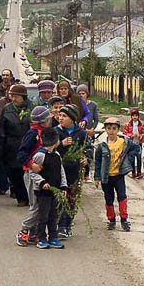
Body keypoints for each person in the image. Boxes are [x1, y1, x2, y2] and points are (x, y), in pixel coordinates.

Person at [94, 116, 140, 231]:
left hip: (119, 175)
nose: (111, 131)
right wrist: (97, 177)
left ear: (118, 130)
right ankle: (111, 220)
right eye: (109, 128)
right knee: (109, 199)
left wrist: (129, 158)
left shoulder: (124, 142)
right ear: (106, 130)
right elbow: (98, 162)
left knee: (122, 197)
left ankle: (124, 219)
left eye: (114, 128)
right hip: (106, 177)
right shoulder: (102, 146)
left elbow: (136, 148)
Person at [16, 105, 53, 246]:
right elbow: (21, 153)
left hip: (42, 175)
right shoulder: (33, 133)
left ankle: (33, 233)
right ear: (43, 120)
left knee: (41, 205)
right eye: (48, 117)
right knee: (36, 205)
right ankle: (24, 231)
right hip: (32, 174)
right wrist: (32, 164)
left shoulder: (45, 132)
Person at [29, 127, 68, 249]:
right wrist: (41, 183)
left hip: (54, 190)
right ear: (55, 141)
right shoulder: (40, 155)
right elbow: (32, 173)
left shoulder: (57, 155)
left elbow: (61, 171)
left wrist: (63, 186)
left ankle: (53, 237)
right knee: (43, 215)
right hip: (43, 192)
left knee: (53, 215)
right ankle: (41, 237)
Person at [53, 105, 87, 239]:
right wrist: (61, 144)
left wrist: (85, 159)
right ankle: (60, 226)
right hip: (59, 171)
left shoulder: (80, 133)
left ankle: (68, 224)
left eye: (64, 116)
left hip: (74, 172)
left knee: (71, 199)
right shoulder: (56, 132)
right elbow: (50, 150)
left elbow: (86, 149)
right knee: (61, 198)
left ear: (72, 119)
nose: (60, 118)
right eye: (60, 115)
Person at [0, 84, 32, 205]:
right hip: (11, 146)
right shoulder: (7, 109)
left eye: (16, 96)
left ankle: (29, 197)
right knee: (14, 173)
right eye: (12, 96)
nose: (14, 99)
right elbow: (2, 129)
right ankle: (21, 198)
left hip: (28, 145)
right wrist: (1, 147)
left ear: (23, 97)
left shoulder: (31, 108)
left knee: (27, 173)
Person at [123, 109, 144, 178]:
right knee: (132, 158)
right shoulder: (127, 124)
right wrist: (131, 135)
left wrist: (141, 136)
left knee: (139, 157)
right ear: (131, 116)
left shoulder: (141, 125)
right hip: (131, 144)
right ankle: (133, 172)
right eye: (133, 116)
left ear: (138, 117)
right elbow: (125, 133)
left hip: (138, 143)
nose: (134, 117)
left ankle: (139, 172)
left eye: (136, 116)